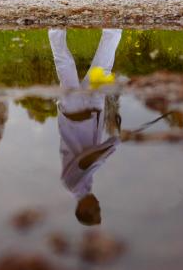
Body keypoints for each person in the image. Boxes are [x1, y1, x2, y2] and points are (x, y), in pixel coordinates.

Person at [49, 28, 123, 226]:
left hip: (74, 113)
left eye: (95, 209)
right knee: (103, 69)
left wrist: (114, 144)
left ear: (82, 210)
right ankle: (112, 29)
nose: (98, 204)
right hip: (93, 111)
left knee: (65, 65)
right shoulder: (86, 186)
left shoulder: (73, 185)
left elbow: (86, 160)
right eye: (99, 209)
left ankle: (56, 27)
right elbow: (92, 159)